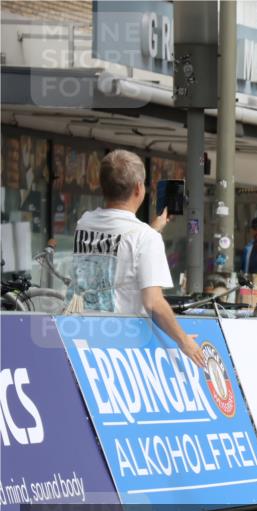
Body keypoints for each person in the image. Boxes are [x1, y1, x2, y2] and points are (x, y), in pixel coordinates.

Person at [67, 149, 204, 368]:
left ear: (102, 186)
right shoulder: (144, 238)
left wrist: (153, 228)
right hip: (122, 346)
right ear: (139, 188)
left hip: (81, 336)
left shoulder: (84, 223)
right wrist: (184, 341)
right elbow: (154, 302)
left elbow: (118, 247)